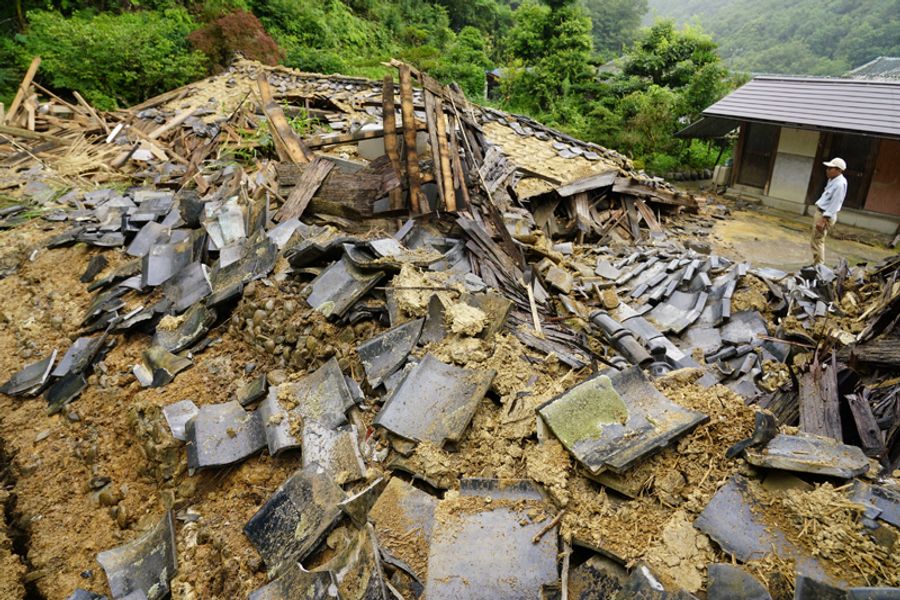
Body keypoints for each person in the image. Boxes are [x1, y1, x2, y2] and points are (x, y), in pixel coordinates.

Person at [810, 157, 848, 266]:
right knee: (815, 240)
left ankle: (818, 266)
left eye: (830, 168)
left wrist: (824, 219)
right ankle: (816, 263)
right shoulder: (832, 180)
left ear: (838, 170)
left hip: (825, 215)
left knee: (818, 240)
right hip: (821, 212)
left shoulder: (840, 184)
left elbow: (835, 203)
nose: (827, 170)